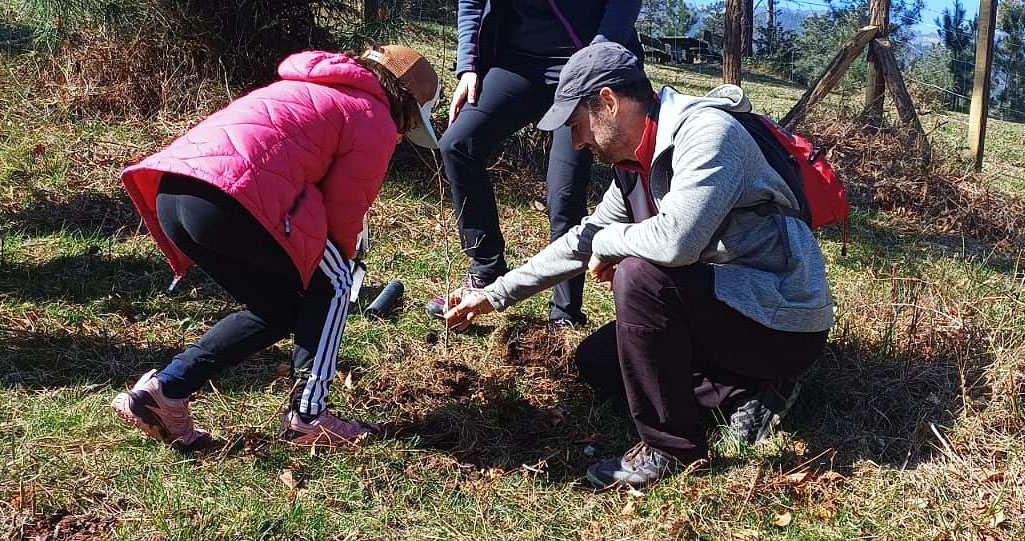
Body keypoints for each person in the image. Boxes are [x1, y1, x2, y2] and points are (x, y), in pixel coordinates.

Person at [442, 43, 834, 488]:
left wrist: (612, 245)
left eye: (577, 124)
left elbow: (676, 244)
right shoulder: (634, 164)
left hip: (781, 324)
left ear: (608, 102)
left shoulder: (708, 134)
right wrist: (493, 295)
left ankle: (672, 448)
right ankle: (749, 390)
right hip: (726, 308)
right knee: (597, 362)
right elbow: (583, 239)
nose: (577, 141)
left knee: (641, 276)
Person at [111, 45, 442, 450]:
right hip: (235, 200)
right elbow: (343, 209)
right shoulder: (373, 115)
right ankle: (309, 416)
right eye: (412, 123)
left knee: (279, 308)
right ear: (405, 102)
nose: (405, 134)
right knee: (337, 280)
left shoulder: (306, 84)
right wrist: (346, 257)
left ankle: (166, 391)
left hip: (175, 194)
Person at [424, 0, 642, 326]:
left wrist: (597, 58)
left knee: (564, 192)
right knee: (458, 143)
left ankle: (564, 313)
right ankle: (486, 268)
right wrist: (468, 66)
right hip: (516, 62)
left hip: (582, 60)